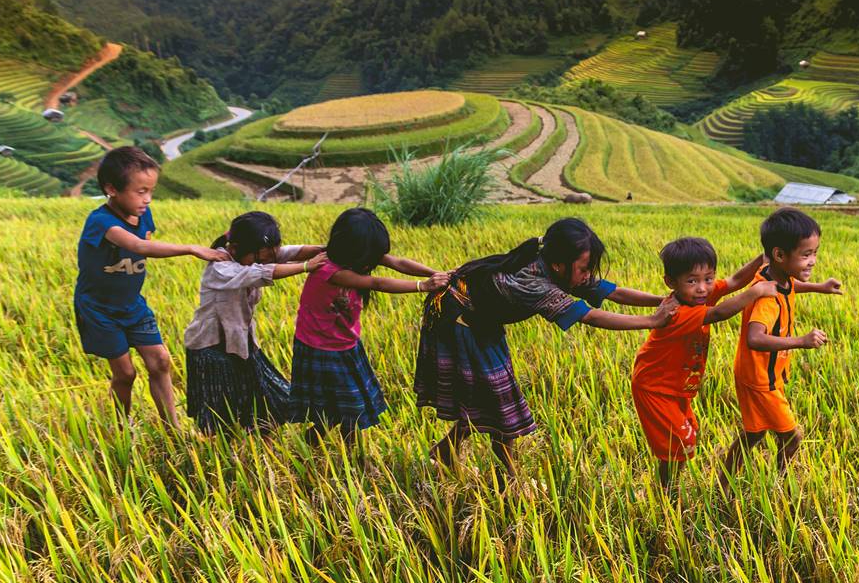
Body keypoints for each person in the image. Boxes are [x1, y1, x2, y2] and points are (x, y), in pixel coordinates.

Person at [416, 217, 675, 485]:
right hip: (458, 321)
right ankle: (511, 477)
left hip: (480, 320)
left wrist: (664, 301)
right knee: (499, 401)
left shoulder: (559, 265)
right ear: (559, 265)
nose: (588, 276)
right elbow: (590, 316)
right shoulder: (534, 282)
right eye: (584, 269)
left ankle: (445, 452)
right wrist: (652, 321)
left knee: (489, 397)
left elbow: (614, 293)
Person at [73, 146, 227, 430]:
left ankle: (173, 429)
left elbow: (145, 240)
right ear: (111, 189)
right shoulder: (101, 222)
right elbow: (139, 246)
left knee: (160, 361)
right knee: (125, 373)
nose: (148, 199)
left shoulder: (143, 215)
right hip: (99, 309)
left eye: (151, 191)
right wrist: (190, 248)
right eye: (140, 191)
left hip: (132, 305)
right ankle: (122, 427)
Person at [290, 208, 447, 447]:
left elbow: (398, 262)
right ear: (353, 249)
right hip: (321, 348)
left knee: (344, 407)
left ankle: (320, 443)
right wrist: (422, 286)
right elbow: (377, 282)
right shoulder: (329, 270)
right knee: (348, 409)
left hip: (345, 344)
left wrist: (437, 274)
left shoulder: (356, 255)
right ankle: (351, 455)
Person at [630, 238, 776, 495]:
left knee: (684, 440)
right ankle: (666, 492)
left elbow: (734, 281)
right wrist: (755, 292)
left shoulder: (699, 296)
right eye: (692, 281)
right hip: (655, 388)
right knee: (678, 444)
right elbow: (718, 313)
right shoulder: (677, 312)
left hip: (677, 386)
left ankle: (668, 486)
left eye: (708, 279)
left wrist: (763, 257)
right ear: (670, 282)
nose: (702, 288)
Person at [720, 208, 836, 484]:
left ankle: (724, 484)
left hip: (758, 373)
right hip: (761, 380)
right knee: (791, 436)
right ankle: (780, 484)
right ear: (780, 255)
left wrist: (820, 287)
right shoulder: (767, 298)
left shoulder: (775, 276)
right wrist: (801, 341)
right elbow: (755, 338)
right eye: (806, 254)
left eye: (815, 253)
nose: (813, 260)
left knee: (754, 433)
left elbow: (791, 286)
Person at [182, 211, 324, 435]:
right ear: (236, 248)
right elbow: (261, 272)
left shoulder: (254, 253)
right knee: (221, 417)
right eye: (260, 258)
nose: (266, 260)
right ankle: (223, 453)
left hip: (241, 344)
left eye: (268, 256)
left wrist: (328, 250)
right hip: (211, 348)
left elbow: (290, 252)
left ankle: (260, 444)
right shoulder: (220, 266)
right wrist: (306, 266)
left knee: (268, 402)